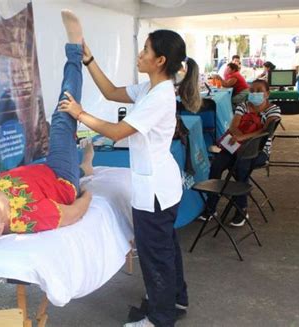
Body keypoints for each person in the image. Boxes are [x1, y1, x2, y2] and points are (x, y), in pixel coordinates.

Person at [57, 10, 201, 327]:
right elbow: (110, 92)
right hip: (161, 186)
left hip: (154, 193)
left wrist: (80, 114)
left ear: (160, 60)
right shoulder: (148, 89)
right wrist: (89, 59)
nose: (140, 55)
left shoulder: (160, 97)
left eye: (145, 50)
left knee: (155, 256)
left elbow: (118, 132)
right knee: (167, 249)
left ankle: (160, 318)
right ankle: (175, 299)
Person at [0, 20, 95, 250]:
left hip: (34, 172)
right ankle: (75, 51)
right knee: (63, 116)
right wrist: (86, 195)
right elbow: (74, 213)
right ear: (0, 228)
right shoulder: (32, 217)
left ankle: (85, 168)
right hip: (59, 176)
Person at [198, 79, 281, 226]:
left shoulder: (273, 109)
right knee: (216, 165)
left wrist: (242, 137)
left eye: (259, 90)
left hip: (258, 151)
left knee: (241, 166)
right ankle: (211, 207)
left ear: (267, 94)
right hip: (234, 147)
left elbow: (266, 131)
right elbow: (233, 126)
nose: (254, 93)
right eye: (252, 90)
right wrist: (238, 137)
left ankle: (241, 209)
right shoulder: (243, 106)